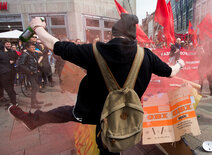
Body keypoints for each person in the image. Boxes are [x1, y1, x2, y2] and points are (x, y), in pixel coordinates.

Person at [8, 14, 185, 154]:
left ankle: (34, 120)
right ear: (132, 37)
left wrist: (38, 27)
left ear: (112, 34)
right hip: (128, 114)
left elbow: (57, 46)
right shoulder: (147, 55)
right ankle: (34, 120)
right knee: (102, 137)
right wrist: (180, 64)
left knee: (72, 114)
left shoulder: (95, 51)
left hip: (95, 113)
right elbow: (171, 72)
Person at [18, 42, 44, 108]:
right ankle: (33, 104)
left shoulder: (33, 54)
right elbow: (21, 65)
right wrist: (29, 71)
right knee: (34, 87)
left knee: (36, 87)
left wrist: (38, 69)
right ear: (27, 48)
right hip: (30, 74)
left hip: (35, 73)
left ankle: (35, 100)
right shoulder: (25, 54)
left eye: (34, 47)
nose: (33, 48)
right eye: (32, 47)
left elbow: (35, 62)